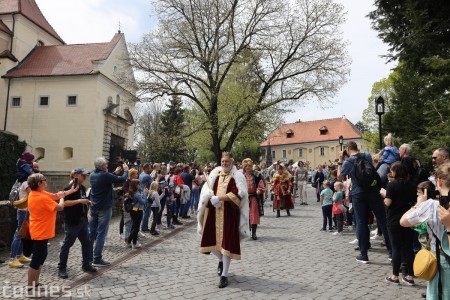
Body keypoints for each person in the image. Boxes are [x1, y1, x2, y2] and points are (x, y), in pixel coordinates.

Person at [197, 152, 249, 288]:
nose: (224, 164)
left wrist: (220, 198)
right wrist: (211, 199)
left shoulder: (235, 178)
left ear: (231, 163)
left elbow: (238, 195)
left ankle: (224, 275)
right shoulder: (216, 176)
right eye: (223, 161)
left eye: (227, 161)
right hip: (214, 213)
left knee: (227, 244)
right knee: (209, 240)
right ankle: (221, 261)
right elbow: (208, 193)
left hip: (229, 215)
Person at [401, 162, 450, 299]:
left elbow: (403, 221)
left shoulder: (430, 205)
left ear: (439, 182)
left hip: (440, 261)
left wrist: (418, 204)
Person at [337, 141, 392, 264]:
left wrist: (340, 160)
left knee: (361, 222)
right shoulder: (366, 155)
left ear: (347, 149)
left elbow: (340, 177)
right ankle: (392, 253)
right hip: (373, 191)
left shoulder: (348, 162)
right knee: (382, 220)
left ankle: (364, 254)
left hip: (358, 193)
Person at [26, 173, 78, 296]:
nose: (46, 180)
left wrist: (70, 191)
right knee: (36, 260)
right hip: (40, 232)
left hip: (42, 231)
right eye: (44, 180)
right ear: (39, 183)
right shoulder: (40, 197)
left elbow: (55, 195)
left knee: (41, 258)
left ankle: (36, 284)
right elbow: (59, 207)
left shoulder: (38, 193)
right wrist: (62, 198)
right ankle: (30, 288)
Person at [89, 157, 129, 267]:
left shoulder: (93, 175)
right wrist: (126, 170)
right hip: (104, 208)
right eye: (106, 165)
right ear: (102, 166)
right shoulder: (105, 175)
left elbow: (105, 177)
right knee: (101, 233)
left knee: (92, 233)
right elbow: (122, 179)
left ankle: (88, 257)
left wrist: (114, 173)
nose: (107, 166)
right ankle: (97, 258)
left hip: (94, 207)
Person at [58, 168, 97, 279]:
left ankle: (86, 265)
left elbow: (82, 200)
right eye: (82, 175)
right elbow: (64, 203)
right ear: (75, 175)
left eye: (85, 175)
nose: (85, 177)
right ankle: (61, 267)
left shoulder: (82, 188)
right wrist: (80, 201)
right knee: (67, 245)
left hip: (82, 221)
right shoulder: (68, 188)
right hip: (72, 222)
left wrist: (87, 202)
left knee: (86, 243)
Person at [382, 162, 416, 286]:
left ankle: (395, 276)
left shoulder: (392, 185)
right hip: (408, 219)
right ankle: (410, 276)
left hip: (394, 219)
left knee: (396, 247)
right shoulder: (412, 185)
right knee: (408, 247)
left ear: (395, 171)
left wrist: (383, 195)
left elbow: (387, 202)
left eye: (392, 170)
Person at [242, 158, 265, 240]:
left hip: (253, 198)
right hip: (244, 199)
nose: (248, 167)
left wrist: (259, 190)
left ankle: (254, 233)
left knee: (254, 215)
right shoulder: (241, 176)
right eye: (246, 166)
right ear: (244, 167)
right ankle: (247, 232)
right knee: (245, 216)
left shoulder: (257, 174)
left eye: (249, 166)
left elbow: (261, 184)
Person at [126, 179, 148, 249]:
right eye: (138, 184)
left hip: (134, 211)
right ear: (135, 185)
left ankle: (129, 242)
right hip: (138, 211)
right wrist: (145, 194)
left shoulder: (132, 192)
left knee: (134, 227)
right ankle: (134, 243)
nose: (139, 186)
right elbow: (143, 202)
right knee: (136, 228)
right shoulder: (137, 194)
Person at [120, 168, 138, 241]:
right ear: (132, 175)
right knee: (124, 219)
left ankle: (131, 233)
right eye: (136, 174)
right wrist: (130, 194)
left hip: (132, 202)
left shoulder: (134, 182)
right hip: (127, 203)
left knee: (131, 219)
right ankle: (121, 233)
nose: (137, 175)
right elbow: (125, 190)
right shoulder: (127, 181)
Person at [140, 163, 153, 232]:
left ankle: (142, 225)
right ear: (146, 168)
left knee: (143, 211)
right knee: (146, 212)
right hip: (147, 195)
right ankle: (144, 227)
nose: (151, 169)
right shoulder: (148, 176)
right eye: (150, 168)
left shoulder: (140, 175)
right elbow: (153, 185)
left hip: (142, 194)